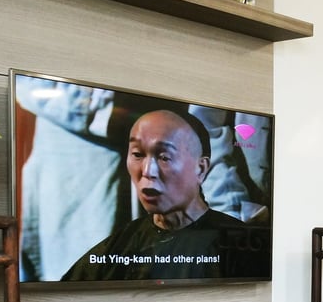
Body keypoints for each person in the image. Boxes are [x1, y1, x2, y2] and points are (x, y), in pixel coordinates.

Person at [61, 109, 270, 282]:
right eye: (137, 154)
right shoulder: (117, 248)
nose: (147, 171)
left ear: (201, 168)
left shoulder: (239, 247)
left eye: (164, 157)